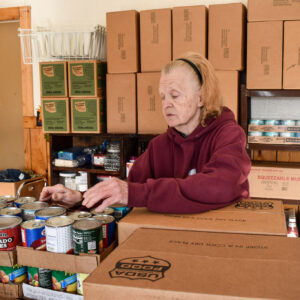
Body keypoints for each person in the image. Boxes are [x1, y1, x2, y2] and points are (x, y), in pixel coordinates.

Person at [40, 52, 251, 214]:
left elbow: (222, 184)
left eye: (175, 96)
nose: (166, 104)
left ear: (202, 97)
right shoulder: (159, 146)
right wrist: (80, 197)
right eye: (162, 97)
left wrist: (139, 193)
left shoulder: (229, 134)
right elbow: (129, 187)